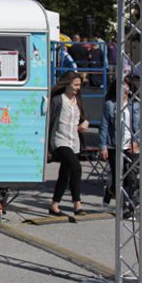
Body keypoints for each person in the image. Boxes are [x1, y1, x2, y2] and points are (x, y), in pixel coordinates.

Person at [48, 71, 89, 216]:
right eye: (76, 85)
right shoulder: (58, 100)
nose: (78, 88)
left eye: (80, 85)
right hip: (60, 140)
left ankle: (54, 204)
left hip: (74, 141)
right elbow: (50, 122)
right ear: (67, 84)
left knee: (65, 174)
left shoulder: (78, 100)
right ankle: (77, 203)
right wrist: (47, 146)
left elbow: (83, 118)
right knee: (76, 168)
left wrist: (85, 123)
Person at [100, 76, 140, 215]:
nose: (124, 88)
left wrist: (137, 142)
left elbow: (139, 126)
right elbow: (104, 126)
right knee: (119, 178)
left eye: (127, 85)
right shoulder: (110, 105)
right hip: (114, 146)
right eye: (122, 85)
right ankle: (110, 190)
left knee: (131, 178)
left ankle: (127, 208)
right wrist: (103, 146)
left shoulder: (135, 105)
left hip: (131, 146)